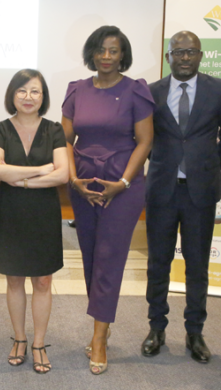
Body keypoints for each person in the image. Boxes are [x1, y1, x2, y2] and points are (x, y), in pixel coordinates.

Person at [61, 25, 155, 375]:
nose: (106, 56)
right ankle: (102, 321)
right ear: (91, 53)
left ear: (122, 55)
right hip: (83, 184)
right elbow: (64, 139)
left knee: (109, 257)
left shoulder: (136, 90)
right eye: (100, 49)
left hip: (122, 185)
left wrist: (124, 182)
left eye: (113, 50)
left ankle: (99, 337)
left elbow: (145, 141)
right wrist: (74, 180)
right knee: (90, 256)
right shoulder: (77, 90)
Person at [142, 31, 221, 362]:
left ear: (200, 55)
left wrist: (209, 164)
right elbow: (142, 137)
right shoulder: (151, 92)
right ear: (167, 56)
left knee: (197, 266)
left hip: (201, 191)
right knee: (158, 263)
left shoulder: (219, 90)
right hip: (162, 190)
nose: (185, 57)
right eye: (178, 51)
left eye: (191, 51)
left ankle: (195, 332)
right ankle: (156, 327)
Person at [0, 69, 68, 374]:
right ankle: (20, 338)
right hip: (10, 212)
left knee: (43, 280)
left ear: (43, 97)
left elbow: (62, 174)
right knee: (14, 279)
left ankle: (39, 343)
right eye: (22, 90)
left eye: (35, 91)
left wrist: (21, 179)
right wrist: (41, 169)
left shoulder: (54, 130)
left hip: (43, 212)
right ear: (12, 95)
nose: (28, 97)